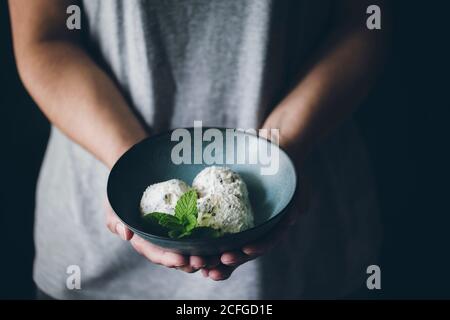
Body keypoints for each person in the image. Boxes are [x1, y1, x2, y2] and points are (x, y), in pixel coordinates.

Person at [9, 0, 389, 299]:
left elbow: (364, 21)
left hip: (306, 250)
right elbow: (45, 36)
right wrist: (128, 160)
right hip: (93, 263)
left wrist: (283, 148)